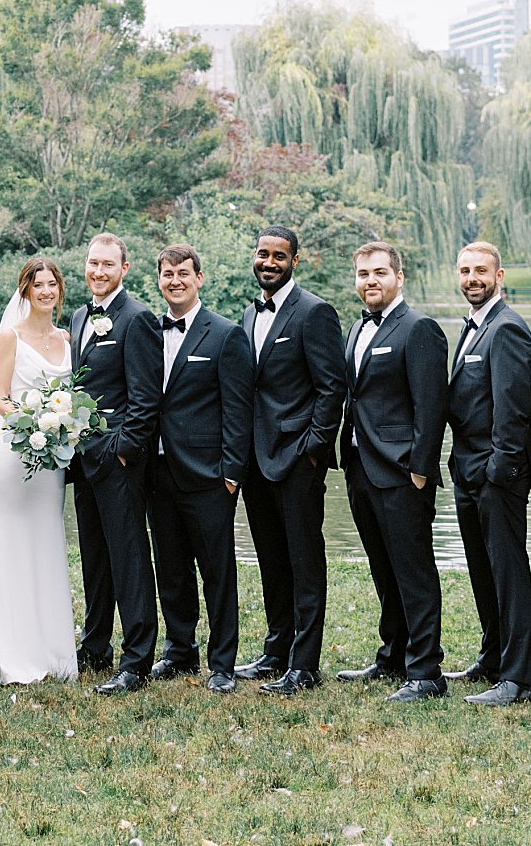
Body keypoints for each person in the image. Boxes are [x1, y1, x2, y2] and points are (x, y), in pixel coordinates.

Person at [335, 241, 450, 704]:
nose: (371, 281)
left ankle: (426, 672)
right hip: (361, 466)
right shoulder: (356, 330)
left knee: (414, 571)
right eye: (363, 274)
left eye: (380, 273)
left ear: (399, 277)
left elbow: (431, 406)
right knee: (384, 569)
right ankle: (393, 655)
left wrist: (420, 470)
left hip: (403, 473)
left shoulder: (419, 328)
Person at [235, 225, 347, 696]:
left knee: (304, 561)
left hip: (297, 459)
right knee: (271, 559)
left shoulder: (315, 312)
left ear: (295, 261)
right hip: (255, 460)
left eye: (279, 256)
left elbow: (331, 387)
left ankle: (305, 664)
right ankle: (275, 650)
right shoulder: (247, 314)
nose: (269, 263)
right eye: (263, 254)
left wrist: (313, 451)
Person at [146, 243, 253, 694]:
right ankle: (179, 650)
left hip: (209, 474)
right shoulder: (149, 330)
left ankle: (223, 663)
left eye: (184, 273)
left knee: (217, 570)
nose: (176, 281)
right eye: (168, 274)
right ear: (158, 280)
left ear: (199, 278)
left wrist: (231, 472)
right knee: (170, 566)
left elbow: (238, 408)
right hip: (158, 469)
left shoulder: (225, 334)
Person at [0, 257, 81, 685]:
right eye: (38, 285)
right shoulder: (8, 337)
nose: (46, 291)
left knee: (46, 544)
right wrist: (35, 424)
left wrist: (61, 429)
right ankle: (6, 649)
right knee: (10, 546)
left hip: (51, 462)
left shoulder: (68, 338)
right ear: (25, 291)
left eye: (52, 284)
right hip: (15, 454)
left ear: (60, 290)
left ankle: (50, 650)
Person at [441, 241, 531, 707]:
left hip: (496, 475)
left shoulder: (507, 329)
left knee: (508, 572)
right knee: (482, 570)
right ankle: (493, 657)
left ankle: (520, 678)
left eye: (481, 271)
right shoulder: (474, 327)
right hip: (467, 471)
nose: (471, 279)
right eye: (464, 271)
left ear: (499, 276)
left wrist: (499, 470)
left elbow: (513, 410)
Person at [68, 232, 164, 694]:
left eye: (108, 264)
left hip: (119, 462)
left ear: (124, 268)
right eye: (93, 263)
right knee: (95, 558)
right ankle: (95, 645)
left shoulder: (138, 318)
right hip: (82, 459)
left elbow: (146, 400)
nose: (99, 272)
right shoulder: (79, 316)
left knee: (129, 558)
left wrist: (122, 449)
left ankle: (137, 660)